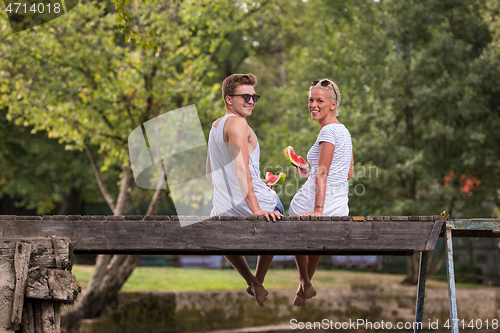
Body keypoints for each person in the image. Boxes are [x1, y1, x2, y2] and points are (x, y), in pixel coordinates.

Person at [206, 73, 284, 306]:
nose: (251, 101)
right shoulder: (239, 123)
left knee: (222, 235)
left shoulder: (215, 127)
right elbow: (241, 170)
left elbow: (211, 173)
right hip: (257, 203)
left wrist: (252, 183)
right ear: (229, 99)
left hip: (223, 208)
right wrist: (256, 208)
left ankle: (253, 282)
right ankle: (257, 280)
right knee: (277, 213)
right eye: (245, 97)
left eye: (254, 97)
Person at [289, 78, 354, 307]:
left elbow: (324, 173)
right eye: (311, 100)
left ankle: (305, 281)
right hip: (340, 206)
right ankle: (303, 288)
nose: (313, 105)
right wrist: (309, 170)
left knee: (296, 218)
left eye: (320, 100)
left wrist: (318, 210)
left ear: (333, 104)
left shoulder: (327, 132)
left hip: (321, 205)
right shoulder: (344, 132)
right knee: (315, 239)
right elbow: (347, 172)